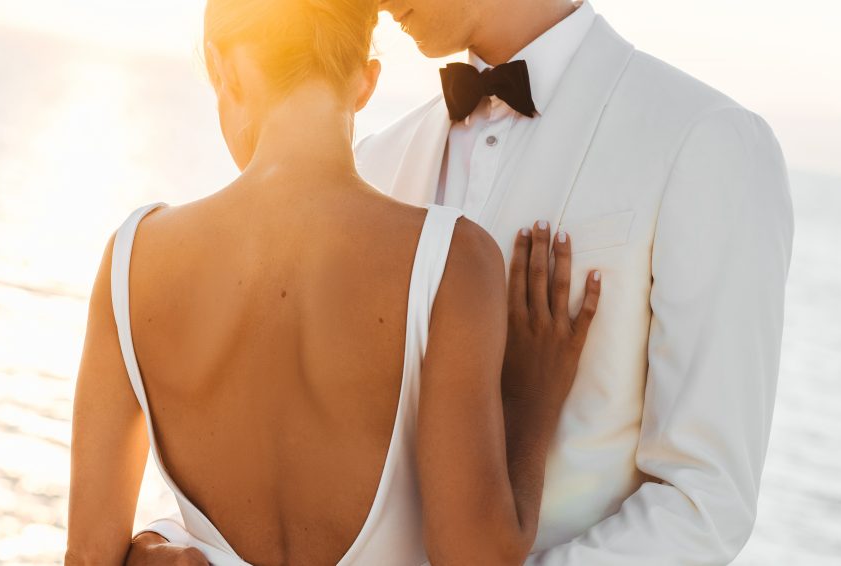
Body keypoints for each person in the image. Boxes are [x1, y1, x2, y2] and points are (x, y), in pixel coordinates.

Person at [129, 0, 794, 564]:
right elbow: (272, 413)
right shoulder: (376, 160)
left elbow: (703, 501)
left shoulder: (707, 142)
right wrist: (175, 537)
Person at [66, 0, 602, 564]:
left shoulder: (132, 256)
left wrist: (159, 543)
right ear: (367, 82)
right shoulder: (453, 261)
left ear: (225, 68)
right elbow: (476, 558)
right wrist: (529, 405)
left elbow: (87, 558)